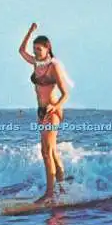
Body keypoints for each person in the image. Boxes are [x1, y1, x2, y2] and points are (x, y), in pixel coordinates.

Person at [19, 23, 70, 203]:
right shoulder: (36, 63)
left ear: (48, 48)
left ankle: (49, 194)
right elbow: (21, 51)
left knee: (46, 151)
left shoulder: (53, 66)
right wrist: (30, 32)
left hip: (52, 111)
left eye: (39, 49)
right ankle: (62, 189)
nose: (36, 52)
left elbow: (65, 93)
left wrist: (55, 107)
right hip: (40, 111)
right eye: (35, 49)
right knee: (52, 151)